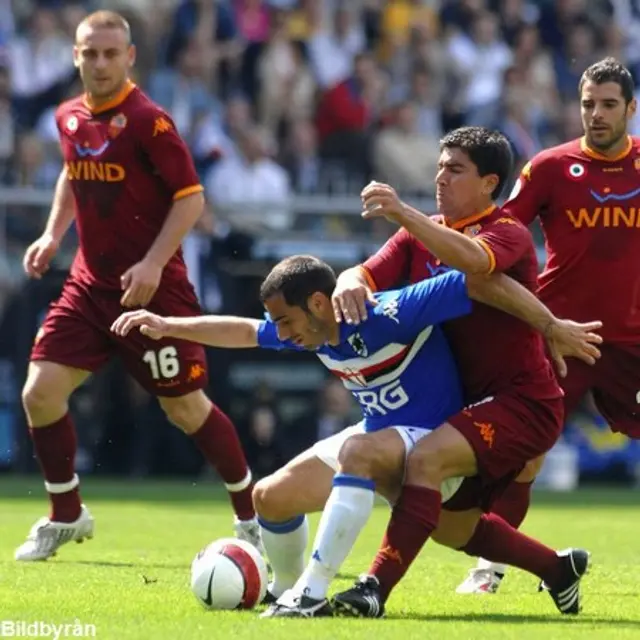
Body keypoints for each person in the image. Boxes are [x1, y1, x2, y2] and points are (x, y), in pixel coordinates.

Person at [112, 254, 599, 618]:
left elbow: (480, 279)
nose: (280, 331)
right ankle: (558, 569)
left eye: (286, 319)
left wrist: (550, 326)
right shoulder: (306, 327)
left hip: (436, 437)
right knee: (271, 498)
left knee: (360, 453)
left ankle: (312, 592)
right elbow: (242, 331)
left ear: (319, 303)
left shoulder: (390, 312)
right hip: (380, 435)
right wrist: (166, 325)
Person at [15, 10, 259, 562]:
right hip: (88, 288)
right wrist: (54, 234)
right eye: (89, 53)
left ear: (129, 57)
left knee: (187, 411)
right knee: (39, 393)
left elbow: (191, 197)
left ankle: (251, 515)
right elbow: (71, 171)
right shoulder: (68, 116)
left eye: (110, 53)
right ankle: (66, 513)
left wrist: (152, 263)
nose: (99, 63)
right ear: (75, 56)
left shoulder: (150, 120)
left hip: (153, 292)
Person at [330, 126, 595, 617]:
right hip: (462, 404)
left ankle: (372, 591)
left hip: (524, 401)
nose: (440, 178)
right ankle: (559, 570)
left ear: (489, 183)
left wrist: (401, 211)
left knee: (424, 462)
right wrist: (348, 282)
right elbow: (365, 272)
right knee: (454, 527)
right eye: (439, 167)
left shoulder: (507, 231)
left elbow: (474, 262)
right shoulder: (418, 234)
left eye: (455, 169)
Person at [455, 57, 640, 594]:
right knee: (526, 454)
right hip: (562, 334)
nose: (596, 115)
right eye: (588, 104)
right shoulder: (550, 168)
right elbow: (502, 232)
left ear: (631, 108)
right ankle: (489, 567)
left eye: (609, 105)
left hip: (633, 340)